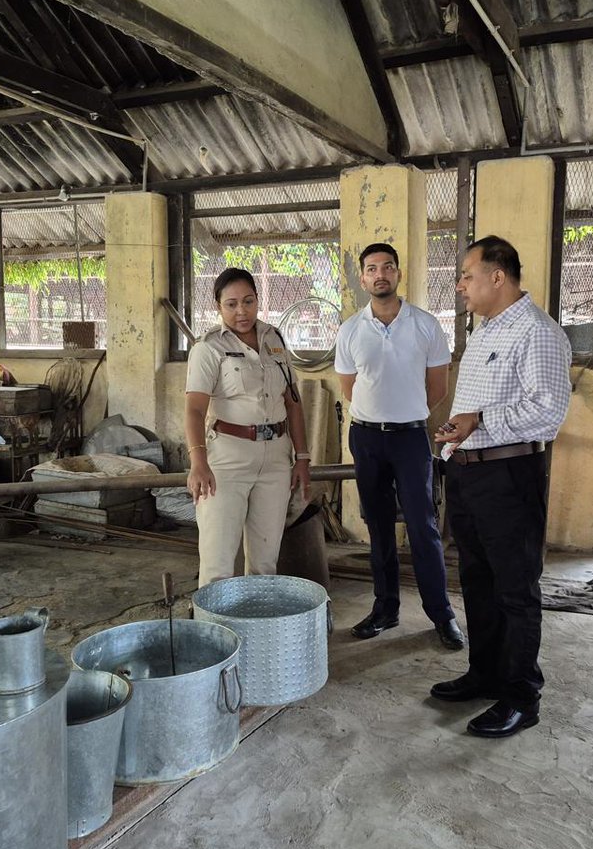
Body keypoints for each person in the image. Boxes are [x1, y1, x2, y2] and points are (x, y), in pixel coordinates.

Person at [430, 235, 571, 738]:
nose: (460, 284)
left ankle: (521, 695)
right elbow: (472, 411)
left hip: (509, 476)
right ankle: (485, 674)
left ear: (497, 277)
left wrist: (479, 421)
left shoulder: (537, 332)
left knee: (514, 587)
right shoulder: (487, 330)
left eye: (468, 275)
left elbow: (548, 412)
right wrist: (454, 443)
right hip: (469, 473)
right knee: (477, 580)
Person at [335, 242, 465, 650]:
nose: (380, 275)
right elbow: (349, 386)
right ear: (362, 279)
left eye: (387, 267)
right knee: (377, 527)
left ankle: (441, 614)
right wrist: (379, 414)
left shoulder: (425, 324)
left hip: (410, 437)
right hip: (367, 437)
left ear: (398, 274)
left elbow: (438, 386)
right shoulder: (351, 329)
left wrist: (406, 412)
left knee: (423, 527)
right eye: (372, 269)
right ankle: (385, 609)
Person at [184, 267, 311, 586]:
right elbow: (194, 410)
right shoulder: (208, 347)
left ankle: (257, 633)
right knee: (218, 563)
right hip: (227, 461)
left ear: (257, 300)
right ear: (218, 306)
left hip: (276, 462)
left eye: (248, 301)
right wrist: (198, 463)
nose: (241, 311)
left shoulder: (274, 339)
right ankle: (213, 635)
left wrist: (303, 458)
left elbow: (293, 402)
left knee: (266, 563)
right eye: (231, 304)